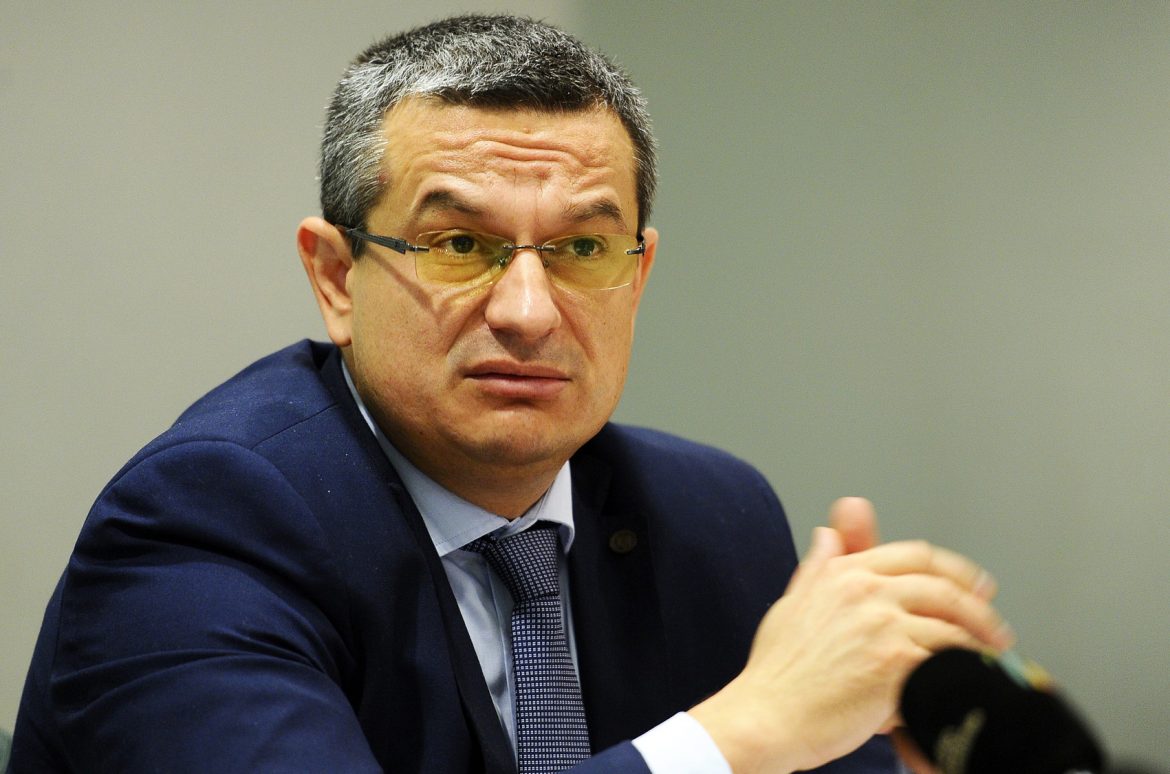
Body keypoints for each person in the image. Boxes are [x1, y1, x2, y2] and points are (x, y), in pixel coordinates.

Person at [10, 14, 1011, 774]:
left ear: (639, 276)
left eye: (583, 249)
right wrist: (741, 734)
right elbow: (750, 741)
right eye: (459, 244)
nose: (529, 311)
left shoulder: (711, 517)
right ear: (336, 278)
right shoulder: (209, 521)